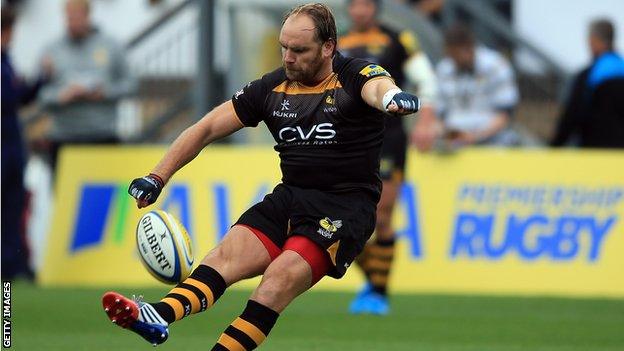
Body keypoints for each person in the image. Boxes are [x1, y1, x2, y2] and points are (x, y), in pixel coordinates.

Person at [101, 3, 420, 349]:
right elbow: (206, 128)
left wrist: (392, 98)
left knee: (274, 283)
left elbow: (379, 86)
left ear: (328, 47)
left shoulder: (355, 74)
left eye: (299, 50)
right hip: (290, 198)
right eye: (284, 47)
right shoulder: (271, 89)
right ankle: (158, 316)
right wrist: (156, 177)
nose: (288, 58)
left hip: (343, 208)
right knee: (222, 258)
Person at [338, 0, 439, 315]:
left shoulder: (398, 40)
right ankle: (373, 280)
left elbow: (427, 80)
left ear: (376, 9)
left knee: (381, 217)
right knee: (338, 220)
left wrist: (425, 121)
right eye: (355, 5)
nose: (361, 10)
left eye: (366, 4)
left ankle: (378, 293)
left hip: (388, 139)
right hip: (346, 139)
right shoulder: (337, 45)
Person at [38, 0, 135, 173]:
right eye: (68, 18)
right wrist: (61, 96)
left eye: (76, 17)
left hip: (102, 137)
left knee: (104, 197)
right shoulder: (52, 50)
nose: (72, 22)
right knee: (66, 197)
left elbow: (131, 84)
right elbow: (39, 94)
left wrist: (104, 92)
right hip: (64, 139)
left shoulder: (111, 45)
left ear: (87, 15)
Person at [1, 4, 49, 280]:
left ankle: (9, 268)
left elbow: (19, 97)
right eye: (8, 33)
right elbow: (10, 97)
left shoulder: (6, 62)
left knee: (12, 208)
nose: (11, 38)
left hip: (11, 149)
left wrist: (41, 79)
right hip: (4, 149)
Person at [436, 24, 519, 147]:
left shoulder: (496, 66)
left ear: (470, 48)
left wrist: (475, 136)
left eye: (456, 55)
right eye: (450, 55)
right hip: (454, 142)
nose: (454, 60)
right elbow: (439, 115)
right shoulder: (444, 68)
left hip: (493, 142)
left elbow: (505, 114)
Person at [551, 18, 624, 148]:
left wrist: (554, 147)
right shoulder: (620, 68)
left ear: (594, 41)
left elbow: (572, 116)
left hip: (595, 154)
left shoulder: (588, 76)